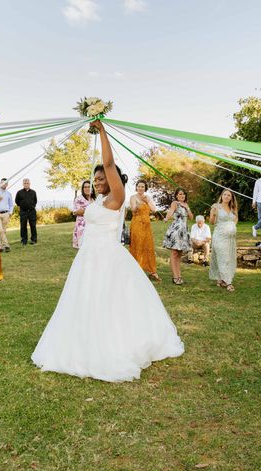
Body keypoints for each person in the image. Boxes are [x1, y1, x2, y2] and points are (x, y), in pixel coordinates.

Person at [31, 120, 184, 382]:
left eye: (102, 178)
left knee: (110, 300)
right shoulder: (101, 200)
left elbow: (109, 163)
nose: (98, 181)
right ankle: (82, 341)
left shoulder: (118, 197)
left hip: (107, 257)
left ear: (114, 180)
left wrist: (102, 130)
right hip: (88, 257)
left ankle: (114, 345)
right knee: (86, 299)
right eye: (96, 178)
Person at [129, 180, 160, 281]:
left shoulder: (147, 197)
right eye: (139, 186)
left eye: (142, 186)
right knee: (138, 245)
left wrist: (147, 201)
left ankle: (152, 271)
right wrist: (139, 204)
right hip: (137, 224)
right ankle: (136, 270)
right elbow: (133, 210)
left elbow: (154, 210)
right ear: (136, 187)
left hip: (147, 225)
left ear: (145, 188)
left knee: (148, 246)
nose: (141, 188)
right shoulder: (133, 197)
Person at [209, 189, 238, 292]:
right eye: (224, 194)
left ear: (231, 198)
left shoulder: (233, 208)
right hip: (219, 236)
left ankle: (220, 279)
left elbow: (236, 219)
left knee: (228, 258)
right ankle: (228, 282)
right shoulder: (216, 207)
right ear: (221, 196)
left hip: (230, 238)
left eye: (228, 195)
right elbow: (211, 222)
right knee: (223, 257)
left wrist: (231, 226)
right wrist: (213, 214)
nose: (226, 196)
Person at [163, 188, 193, 285]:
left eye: (184, 194)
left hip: (184, 230)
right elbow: (171, 212)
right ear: (176, 195)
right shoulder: (175, 203)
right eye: (180, 194)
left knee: (179, 254)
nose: (182, 195)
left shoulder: (186, 205)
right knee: (175, 252)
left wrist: (187, 208)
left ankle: (179, 275)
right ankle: (175, 277)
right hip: (176, 229)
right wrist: (167, 218)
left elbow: (191, 217)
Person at [72, 180, 94, 249]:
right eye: (85, 187)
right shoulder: (79, 199)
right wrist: (92, 210)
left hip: (92, 226)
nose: (87, 189)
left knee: (91, 247)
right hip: (81, 227)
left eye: (88, 187)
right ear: (82, 189)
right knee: (82, 248)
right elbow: (78, 212)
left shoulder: (93, 199)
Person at [15, 178, 38, 246]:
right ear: (23, 184)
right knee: (23, 226)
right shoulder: (19, 192)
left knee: (33, 226)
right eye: (25, 183)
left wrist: (31, 206)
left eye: (27, 183)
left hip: (32, 212)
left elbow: (35, 201)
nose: (26, 184)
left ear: (29, 184)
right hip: (23, 212)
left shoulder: (33, 192)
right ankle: (24, 240)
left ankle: (34, 239)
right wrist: (23, 206)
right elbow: (17, 202)